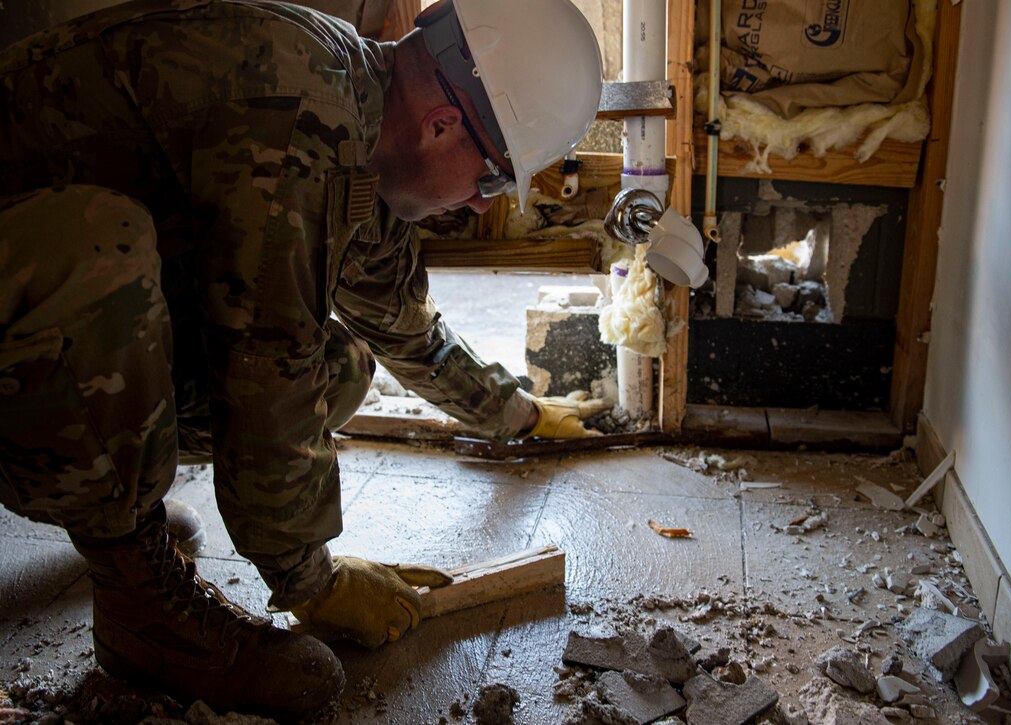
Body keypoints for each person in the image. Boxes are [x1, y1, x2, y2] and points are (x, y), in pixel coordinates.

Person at [0, 0, 604, 718]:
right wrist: (310, 578)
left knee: (342, 363)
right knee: (104, 258)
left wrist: (517, 412)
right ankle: (139, 603)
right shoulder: (296, 113)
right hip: (41, 284)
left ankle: (120, 519)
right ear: (442, 123)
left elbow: (403, 326)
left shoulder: (364, 124)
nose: (479, 205)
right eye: (494, 177)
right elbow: (266, 355)